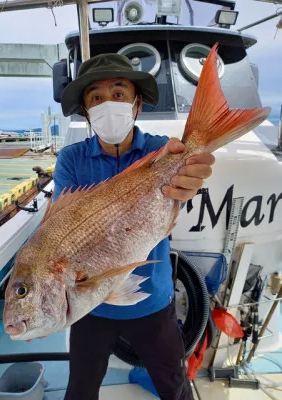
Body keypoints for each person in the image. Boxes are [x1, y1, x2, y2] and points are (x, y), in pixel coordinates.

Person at [54, 53, 215, 400]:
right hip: (89, 305)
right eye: (95, 98)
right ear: (86, 113)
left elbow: (186, 183)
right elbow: (60, 228)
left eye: (118, 93)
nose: (107, 104)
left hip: (153, 301)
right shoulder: (71, 159)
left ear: (137, 104)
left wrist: (190, 181)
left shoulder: (160, 152)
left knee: (174, 386)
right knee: (80, 389)